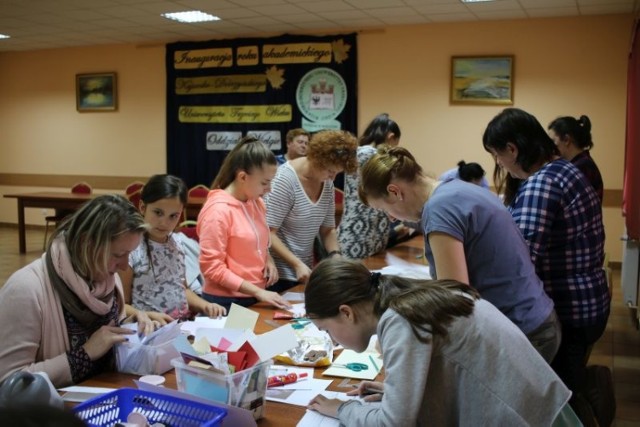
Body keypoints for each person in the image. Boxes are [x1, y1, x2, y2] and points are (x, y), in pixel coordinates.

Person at [305, 259, 576, 426]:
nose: (333, 340)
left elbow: (393, 423)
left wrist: (342, 408)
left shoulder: (400, 320)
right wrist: (398, 390)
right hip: (542, 407)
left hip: (531, 417)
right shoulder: (408, 296)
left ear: (346, 312)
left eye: (326, 329)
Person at [359, 146, 560, 362]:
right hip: (535, 318)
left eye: (383, 209)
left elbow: (454, 298)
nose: (391, 218)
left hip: (523, 332)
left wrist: (396, 334)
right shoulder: (456, 189)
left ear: (395, 192)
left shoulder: (439, 210)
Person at [483, 107, 610, 424]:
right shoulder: (567, 169)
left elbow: (519, 260)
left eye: (497, 155)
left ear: (512, 149)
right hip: (590, 303)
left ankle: (589, 412)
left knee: (555, 403)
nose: (498, 164)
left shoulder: (541, 184)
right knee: (567, 387)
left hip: (570, 312)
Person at [0, 195, 153, 388]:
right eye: (118, 254)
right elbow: (9, 382)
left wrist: (130, 329)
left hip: (104, 396)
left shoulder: (108, 278)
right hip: (51, 412)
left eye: (129, 254)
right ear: (86, 243)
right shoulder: (26, 289)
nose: (124, 266)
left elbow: (108, 338)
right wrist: (85, 354)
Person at [198, 136, 291, 311]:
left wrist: (267, 259)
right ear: (242, 177)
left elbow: (260, 243)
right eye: (264, 183)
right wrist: (258, 292)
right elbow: (212, 268)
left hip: (254, 294)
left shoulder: (256, 202)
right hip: (225, 301)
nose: (269, 189)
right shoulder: (218, 212)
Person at [118, 174, 226, 322]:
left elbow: (182, 290)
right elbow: (121, 304)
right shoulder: (131, 249)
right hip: (150, 332)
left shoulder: (178, 243)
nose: (164, 222)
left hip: (181, 327)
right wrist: (147, 316)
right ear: (143, 207)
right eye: (158, 213)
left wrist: (205, 305)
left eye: (173, 216)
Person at [266, 129, 358, 290]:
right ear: (316, 158)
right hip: (279, 276)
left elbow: (328, 230)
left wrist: (335, 254)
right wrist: (296, 264)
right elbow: (268, 232)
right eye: (330, 171)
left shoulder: (327, 183)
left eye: (337, 173)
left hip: (304, 272)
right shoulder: (285, 180)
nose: (333, 178)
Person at [337, 113, 402, 259]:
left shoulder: (359, 153)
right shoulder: (373, 155)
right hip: (363, 231)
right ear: (391, 137)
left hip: (363, 228)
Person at [548, 115, 604, 203]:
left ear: (566, 140)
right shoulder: (582, 163)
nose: (551, 147)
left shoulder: (581, 167)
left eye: (553, 141)